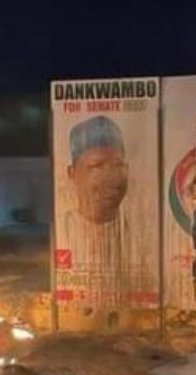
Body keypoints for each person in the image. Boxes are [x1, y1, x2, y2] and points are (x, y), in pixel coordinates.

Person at [60, 115, 154, 310]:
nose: (112, 178)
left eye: (118, 166)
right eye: (97, 166)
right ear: (72, 173)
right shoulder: (61, 231)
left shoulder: (144, 236)